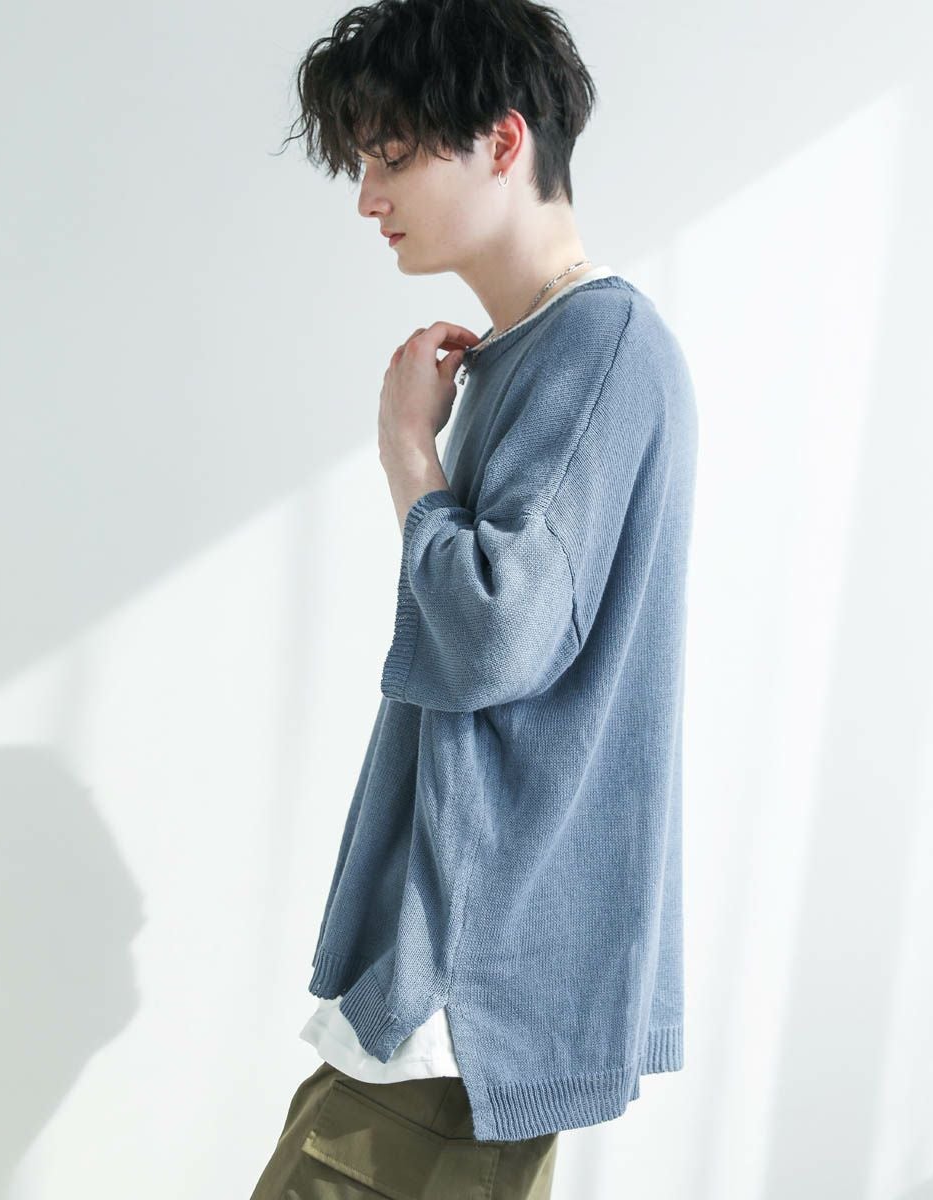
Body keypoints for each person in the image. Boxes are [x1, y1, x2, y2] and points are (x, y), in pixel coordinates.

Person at [248, 0, 699, 1195]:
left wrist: (409, 456)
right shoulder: (530, 355)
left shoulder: (598, 347)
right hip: (458, 976)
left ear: (503, 140)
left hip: (469, 983)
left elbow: (498, 629)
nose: (366, 197)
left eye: (391, 156)